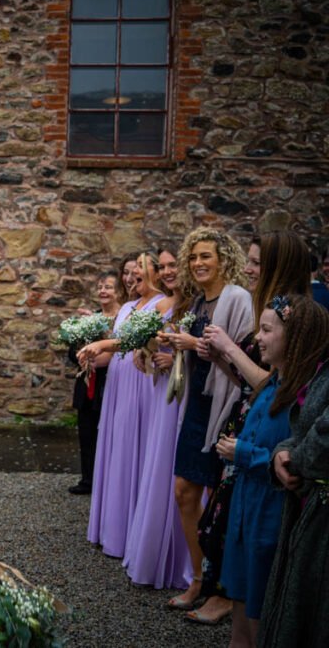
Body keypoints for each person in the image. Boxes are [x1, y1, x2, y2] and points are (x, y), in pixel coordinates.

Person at [197, 231, 312, 625]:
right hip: (247, 425)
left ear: (278, 266)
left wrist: (229, 348)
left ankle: (236, 605)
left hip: (267, 439)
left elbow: (278, 385)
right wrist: (218, 358)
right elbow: (249, 382)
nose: (248, 268)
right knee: (226, 527)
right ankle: (227, 598)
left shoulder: (298, 316)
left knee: (247, 537)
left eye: (257, 262)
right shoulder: (268, 310)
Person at [158, 227, 251, 612]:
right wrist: (176, 346)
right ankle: (197, 578)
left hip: (225, 408)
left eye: (206, 256)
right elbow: (200, 352)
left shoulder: (238, 299)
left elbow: (246, 361)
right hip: (197, 405)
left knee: (218, 500)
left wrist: (193, 344)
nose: (198, 263)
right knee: (185, 491)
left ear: (224, 259)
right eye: (193, 257)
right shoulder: (199, 302)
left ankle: (222, 591)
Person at [211, 295, 301, 648]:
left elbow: (294, 463)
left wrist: (243, 452)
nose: (258, 338)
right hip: (244, 507)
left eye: (266, 330)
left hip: (268, 511)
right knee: (240, 596)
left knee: (259, 604)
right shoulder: (273, 385)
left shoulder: (300, 395)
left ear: (292, 338)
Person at [79, 253, 164, 558]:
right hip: (117, 382)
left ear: (155, 273)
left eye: (138, 273)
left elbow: (133, 343)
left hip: (141, 385)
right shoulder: (127, 307)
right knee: (115, 448)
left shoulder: (162, 304)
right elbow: (116, 349)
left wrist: (102, 345)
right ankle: (111, 528)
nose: (131, 278)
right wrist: (92, 356)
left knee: (134, 448)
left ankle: (131, 530)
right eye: (128, 274)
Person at [257, 296, 329, 647]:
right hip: (305, 506)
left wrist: (293, 459)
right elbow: (300, 432)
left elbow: (322, 438)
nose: (258, 337)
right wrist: (281, 454)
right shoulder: (318, 374)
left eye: (267, 329)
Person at [121, 248, 194, 589]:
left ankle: (185, 563)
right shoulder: (164, 306)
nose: (166, 272)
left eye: (171, 265)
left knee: (177, 475)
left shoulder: (196, 306)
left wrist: (176, 356)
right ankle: (152, 552)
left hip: (184, 397)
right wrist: (147, 353)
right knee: (159, 468)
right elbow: (149, 348)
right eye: (162, 267)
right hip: (162, 394)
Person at [67, 270, 120, 495]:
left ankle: (109, 482)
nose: (102, 291)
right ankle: (88, 479)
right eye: (100, 286)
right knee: (87, 432)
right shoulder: (91, 318)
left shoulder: (123, 319)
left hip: (111, 383)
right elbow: (71, 352)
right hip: (87, 386)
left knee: (110, 434)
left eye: (108, 286)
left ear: (119, 291)